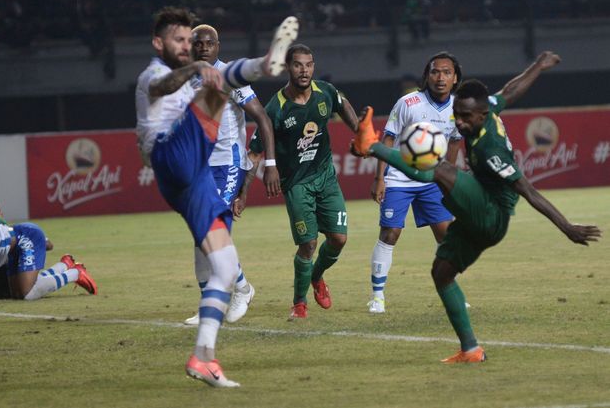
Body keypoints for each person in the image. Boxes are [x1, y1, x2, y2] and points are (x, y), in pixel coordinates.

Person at [351, 51, 601, 363]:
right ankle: (470, 349)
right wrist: (539, 65)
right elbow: (510, 91)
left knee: (439, 168)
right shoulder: (485, 107)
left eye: (466, 118)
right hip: (476, 216)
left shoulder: (490, 148)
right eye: (458, 115)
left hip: (491, 212)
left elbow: (528, 191)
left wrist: (568, 228)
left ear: (481, 117)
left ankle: (370, 146)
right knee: (441, 274)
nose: (460, 122)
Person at [135, 6, 298, 387]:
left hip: (193, 178)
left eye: (189, 39)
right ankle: (263, 63)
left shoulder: (201, 70)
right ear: (159, 43)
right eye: (180, 39)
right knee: (217, 84)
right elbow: (162, 88)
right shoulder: (154, 73)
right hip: (173, 155)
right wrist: (196, 69)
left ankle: (203, 357)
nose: (187, 44)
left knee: (223, 267)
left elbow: (239, 101)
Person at [247, 44, 360, 320]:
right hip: (296, 184)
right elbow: (253, 151)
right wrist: (243, 192)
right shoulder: (276, 108)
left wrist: (359, 132)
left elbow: (342, 104)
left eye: (309, 64)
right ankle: (299, 303)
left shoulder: (325, 92)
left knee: (339, 239)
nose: (304, 70)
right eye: (298, 65)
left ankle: (317, 276)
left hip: (325, 176)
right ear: (288, 67)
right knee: (308, 244)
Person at [182, 24, 281, 327]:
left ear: (218, 46)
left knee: (211, 232)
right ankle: (209, 305)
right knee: (200, 238)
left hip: (226, 164)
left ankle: (242, 288)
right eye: (198, 44)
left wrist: (271, 163)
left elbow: (262, 117)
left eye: (209, 43)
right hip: (198, 166)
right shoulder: (185, 80)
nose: (203, 48)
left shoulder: (230, 76)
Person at [367, 52, 463, 314]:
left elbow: (454, 141)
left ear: (455, 78)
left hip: (432, 179)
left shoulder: (458, 107)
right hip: (399, 177)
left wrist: (449, 178)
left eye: (446, 72)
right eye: (435, 72)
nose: (440, 77)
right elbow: (387, 141)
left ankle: (451, 293)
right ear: (427, 76)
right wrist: (379, 178)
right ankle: (377, 296)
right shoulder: (408, 103)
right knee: (390, 233)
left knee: (447, 237)